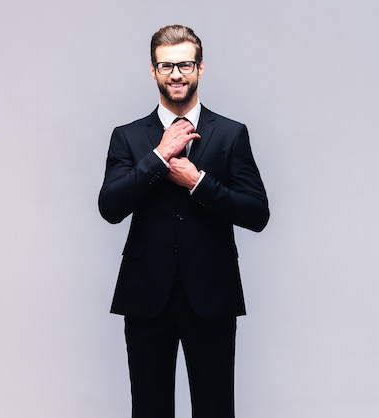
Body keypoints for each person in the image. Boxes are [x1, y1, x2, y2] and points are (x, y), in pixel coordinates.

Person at [98, 24, 269, 418]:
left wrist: (199, 183)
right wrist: (158, 158)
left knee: (214, 409)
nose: (176, 74)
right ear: (154, 71)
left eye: (185, 65)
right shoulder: (127, 137)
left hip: (212, 295)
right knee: (149, 409)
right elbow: (110, 207)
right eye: (167, 66)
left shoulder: (230, 134)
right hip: (146, 298)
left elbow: (257, 213)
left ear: (201, 68)